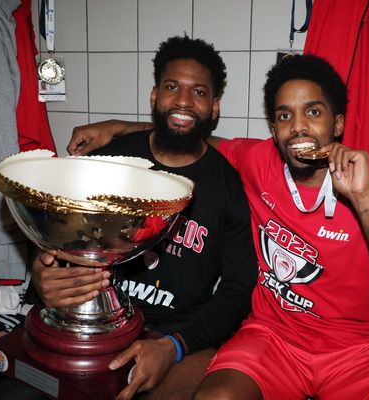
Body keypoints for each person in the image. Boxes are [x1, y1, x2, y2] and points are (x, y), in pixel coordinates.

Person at [67, 55, 369, 399]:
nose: (298, 127)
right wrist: (119, 129)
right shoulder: (258, 160)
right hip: (270, 339)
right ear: (274, 129)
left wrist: (364, 198)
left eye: (313, 112)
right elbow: (191, 136)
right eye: (285, 116)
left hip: (356, 349)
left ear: (338, 123)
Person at [25, 36, 257, 400]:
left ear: (214, 107)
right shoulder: (111, 160)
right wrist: (42, 274)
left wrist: (175, 346)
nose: (183, 100)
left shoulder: (230, 186)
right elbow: (60, 238)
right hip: (95, 315)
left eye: (198, 92)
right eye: (172, 87)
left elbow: (238, 291)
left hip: (178, 335)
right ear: (154, 96)